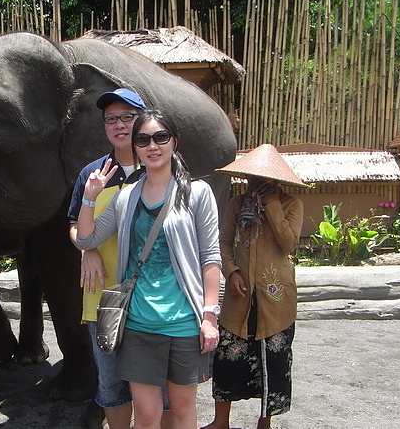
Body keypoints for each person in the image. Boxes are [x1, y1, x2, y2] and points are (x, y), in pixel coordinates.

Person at [75, 109, 221, 429]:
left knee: (182, 410)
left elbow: (211, 258)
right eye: (143, 139)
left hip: (184, 321)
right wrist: (89, 198)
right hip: (138, 322)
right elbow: (86, 237)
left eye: (160, 137)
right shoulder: (126, 196)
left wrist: (209, 316)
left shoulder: (197, 193)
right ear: (137, 147)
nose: (152, 146)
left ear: (174, 142)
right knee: (146, 414)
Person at [202, 143, 306, 429]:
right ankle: (220, 422)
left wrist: (271, 204)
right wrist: (232, 271)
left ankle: (265, 424)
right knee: (227, 358)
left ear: (277, 179)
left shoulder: (291, 204)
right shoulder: (237, 204)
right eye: (251, 177)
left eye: (263, 178)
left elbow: (287, 244)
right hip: (240, 296)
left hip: (277, 301)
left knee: (273, 363)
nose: (255, 182)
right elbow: (223, 243)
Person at [68, 88, 147, 429]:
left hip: (153, 299)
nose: (119, 126)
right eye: (111, 119)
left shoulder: (159, 168)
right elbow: (74, 224)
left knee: (155, 384)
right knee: (112, 386)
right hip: (103, 299)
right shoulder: (93, 174)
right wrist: (88, 249)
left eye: (127, 117)